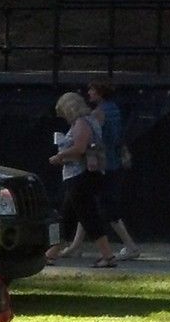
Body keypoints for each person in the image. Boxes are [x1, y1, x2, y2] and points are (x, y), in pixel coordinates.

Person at [56, 81, 144, 260]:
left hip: (102, 165)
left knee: (104, 207)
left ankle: (129, 245)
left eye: (92, 90)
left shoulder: (97, 114)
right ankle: (75, 246)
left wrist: (68, 153)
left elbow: (91, 140)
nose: (88, 93)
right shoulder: (114, 109)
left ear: (99, 93)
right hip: (113, 159)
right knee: (85, 206)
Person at [45, 91, 119, 268]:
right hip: (81, 176)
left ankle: (108, 256)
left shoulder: (81, 123)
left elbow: (79, 148)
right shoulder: (91, 120)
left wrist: (60, 155)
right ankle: (51, 253)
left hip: (80, 176)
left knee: (88, 216)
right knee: (65, 216)